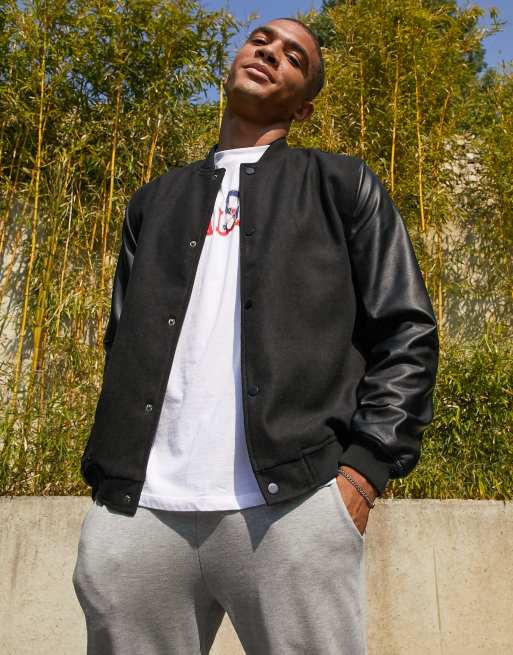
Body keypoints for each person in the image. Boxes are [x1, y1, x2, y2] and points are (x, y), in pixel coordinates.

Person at [72, 16, 439, 655]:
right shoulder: (154, 201)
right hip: (140, 510)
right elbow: (122, 341)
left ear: (305, 106)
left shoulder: (341, 186)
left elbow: (405, 330)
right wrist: (108, 478)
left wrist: (364, 470)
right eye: (261, 40)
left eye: (294, 57)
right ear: (235, 59)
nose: (270, 53)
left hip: (295, 504)